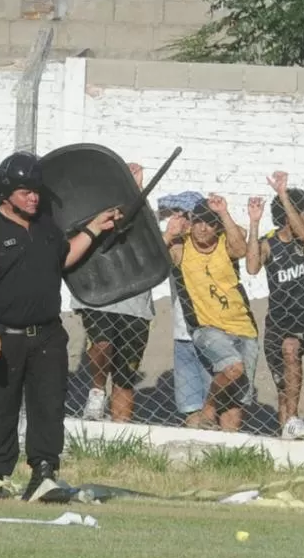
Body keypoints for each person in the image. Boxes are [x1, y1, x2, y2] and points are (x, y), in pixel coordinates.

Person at [0, 152, 120, 501]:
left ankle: (43, 475)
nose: (33, 197)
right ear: (6, 193)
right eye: (24, 191)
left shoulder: (46, 225)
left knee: (48, 407)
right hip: (2, 334)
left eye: (35, 190)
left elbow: (63, 257)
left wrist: (94, 229)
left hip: (47, 334)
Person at [246, 172, 304, 440]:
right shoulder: (269, 243)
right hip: (280, 323)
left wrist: (283, 194)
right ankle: (287, 433)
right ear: (289, 215)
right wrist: (254, 223)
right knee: (284, 389)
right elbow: (251, 267)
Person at [165, 195, 257, 432]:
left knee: (235, 405)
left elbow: (241, 249)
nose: (203, 228)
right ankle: (208, 407)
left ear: (218, 226)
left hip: (243, 327)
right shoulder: (181, 246)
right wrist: (168, 233)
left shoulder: (227, 242)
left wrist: (224, 212)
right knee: (233, 368)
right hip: (207, 329)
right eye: (199, 222)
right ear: (192, 222)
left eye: (210, 223)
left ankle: (227, 458)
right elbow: (154, 260)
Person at [76, 163, 154, 424]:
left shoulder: (141, 212)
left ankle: (119, 435)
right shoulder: (90, 210)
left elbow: (148, 229)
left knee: (124, 378)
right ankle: (97, 392)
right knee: (102, 344)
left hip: (135, 303)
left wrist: (138, 189)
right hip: (100, 295)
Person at [155, 192, 212, 427]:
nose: (174, 219)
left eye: (179, 214)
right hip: (183, 333)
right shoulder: (174, 244)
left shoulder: (211, 243)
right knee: (191, 407)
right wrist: (170, 234)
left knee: (214, 401)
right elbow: (154, 257)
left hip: (212, 331)